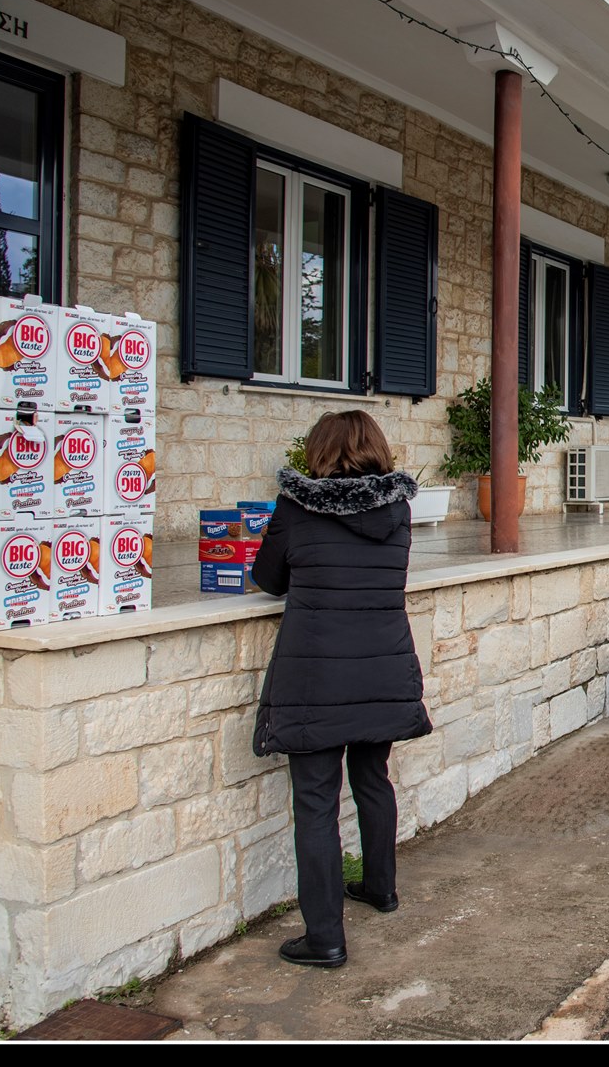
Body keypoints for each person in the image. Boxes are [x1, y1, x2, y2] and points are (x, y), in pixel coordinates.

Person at [251, 411, 433, 967]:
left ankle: (325, 938)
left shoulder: (296, 506)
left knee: (314, 803)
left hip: (316, 677)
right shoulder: (397, 511)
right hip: (381, 668)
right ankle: (380, 887)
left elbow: (268, 578)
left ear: (319, 450)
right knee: (373, 780)